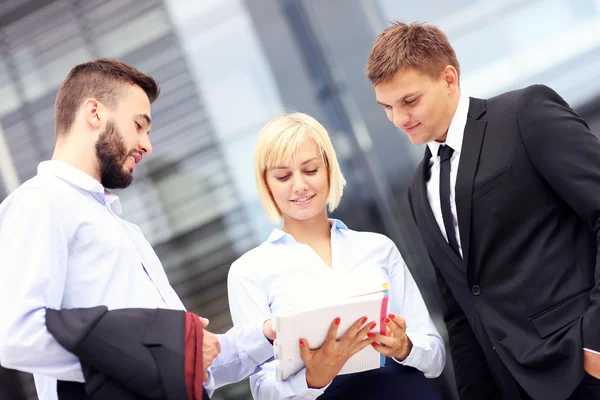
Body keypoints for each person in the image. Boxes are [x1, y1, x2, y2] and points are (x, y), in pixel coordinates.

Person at [0, 58, 275, 400]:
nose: (147, 144)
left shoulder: (127, 232)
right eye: (139, 125)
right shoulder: (40, 202)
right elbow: (16, 336)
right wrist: (168, 353)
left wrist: (270, 335)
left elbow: (185, 367)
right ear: (95, 113)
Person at [366, 21, 600, 400]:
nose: (398, 119)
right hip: (511, 387)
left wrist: (595, 342)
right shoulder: (418, 188)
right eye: (387, 107)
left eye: (409, 101)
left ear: (448, 78)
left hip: (581, 366)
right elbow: (460, 309)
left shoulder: (524, 114)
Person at [227, 112, 445, 399]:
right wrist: (313, 378)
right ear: (266, 184)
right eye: (283, 176)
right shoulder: (250, 271)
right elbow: (262, 391)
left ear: (329, 169)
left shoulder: (377, 248)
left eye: (310, 170)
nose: (299, 185)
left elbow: (436, 357)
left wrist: (404, 346)